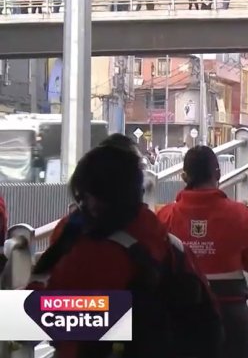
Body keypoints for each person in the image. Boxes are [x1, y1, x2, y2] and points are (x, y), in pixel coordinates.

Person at [29, 145, 222, 358]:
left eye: (84, 196)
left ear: (96, 198)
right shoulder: (162, 239)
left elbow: (44, 320)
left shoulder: (99, 251)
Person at [157, 146, 248, 358]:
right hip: (232, 318)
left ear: (184, 177)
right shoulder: (243, 215)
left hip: (182, 318)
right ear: (217, 173)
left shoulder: (165, 217)